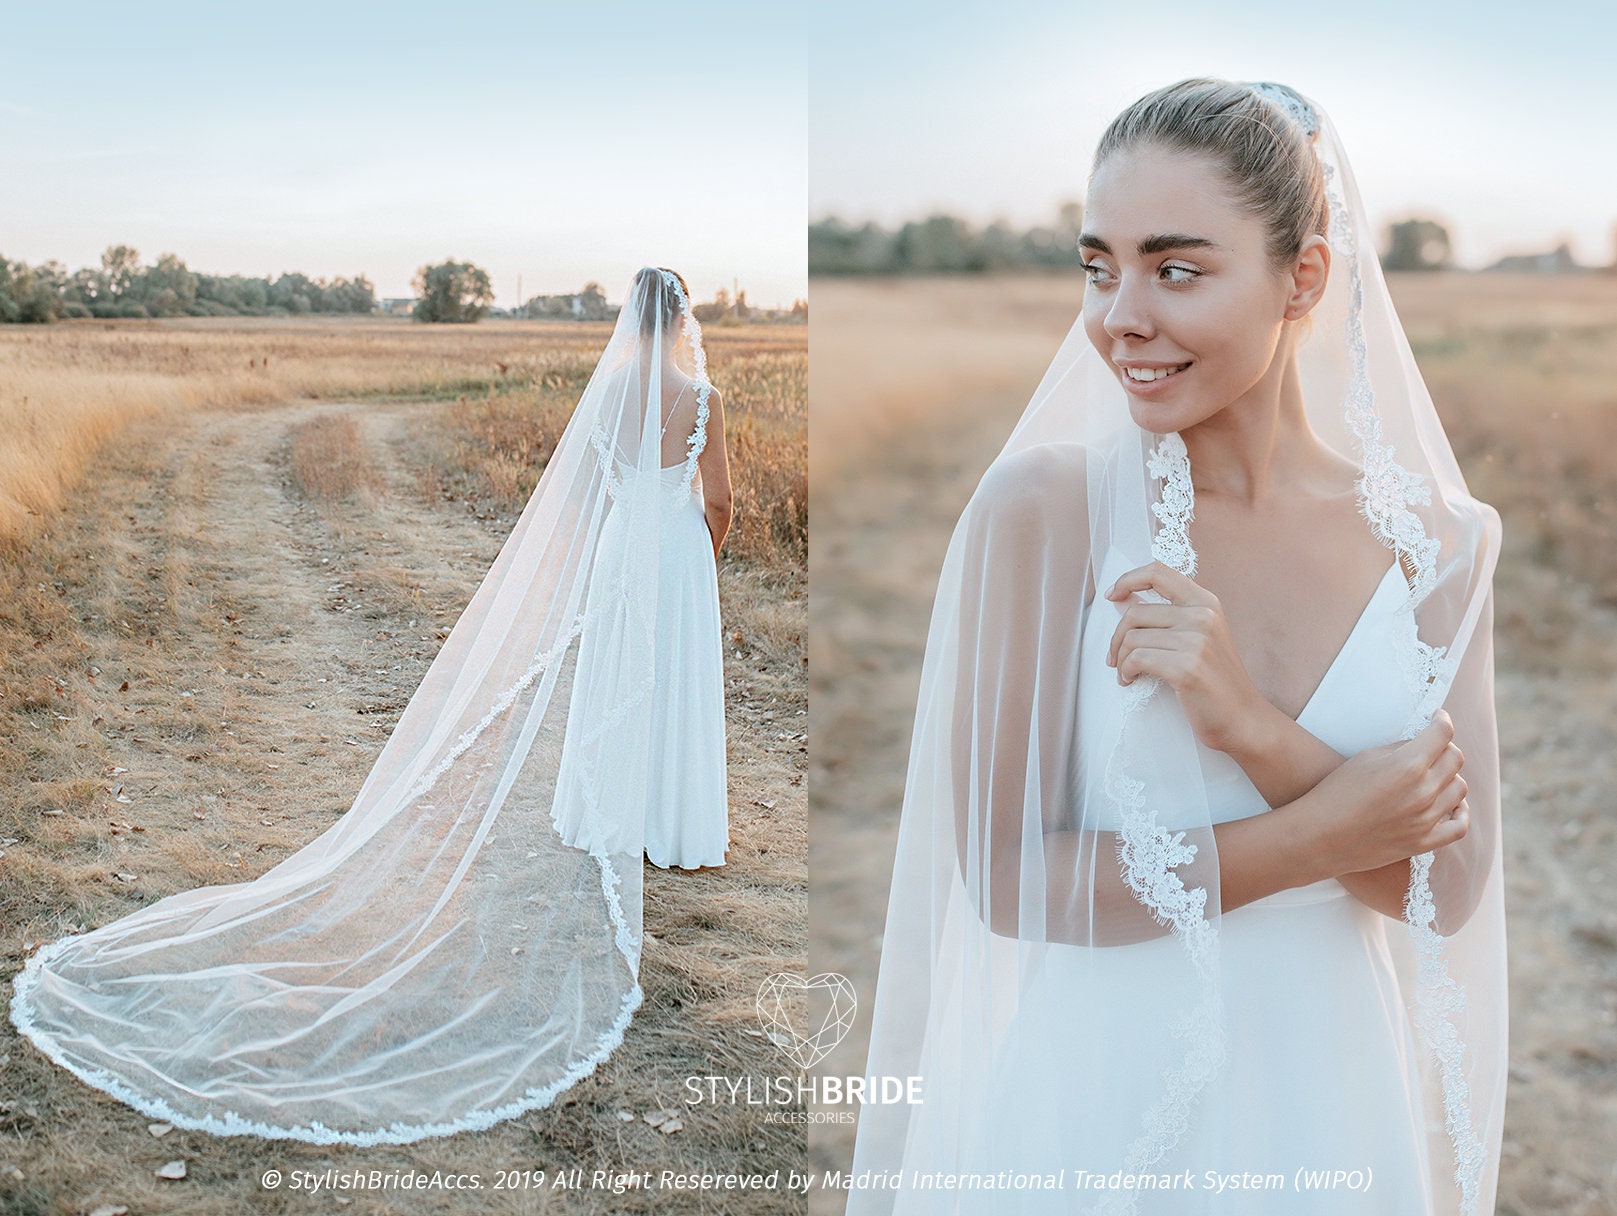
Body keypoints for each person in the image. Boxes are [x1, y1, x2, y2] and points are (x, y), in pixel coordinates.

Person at [847, 80, 1505, 1216]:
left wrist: (1250, 726)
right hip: (1101, 1092)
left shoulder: (1437, 544)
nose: (1118, 318)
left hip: (1329, 1098)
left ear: (1303, 276)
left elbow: (1444, 883)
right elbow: (1006, 879)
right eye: (1099, 266)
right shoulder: (1044, 515)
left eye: (1178, 269)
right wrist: (1316, 833)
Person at [10, 266, 733, 1144]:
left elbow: (582, 502)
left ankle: (599, 811)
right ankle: (675, 824)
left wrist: (619, 545)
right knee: (670, 684)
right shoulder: (702, 397)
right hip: (678, 549)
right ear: (684, 318)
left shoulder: (609, 393)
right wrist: (698, 555)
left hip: (624, 544)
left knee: (615, 676)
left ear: (628, 317)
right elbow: (720, 499)